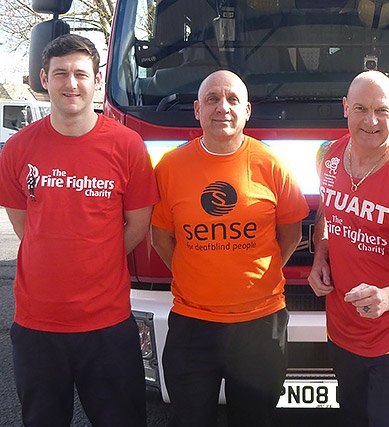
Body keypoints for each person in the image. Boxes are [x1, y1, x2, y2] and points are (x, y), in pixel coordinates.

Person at [0, 34, 158, 426]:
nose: (71, 83)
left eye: (80, 74)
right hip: (37, 326)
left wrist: (97, 256)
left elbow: (138, 224)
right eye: (61, 74)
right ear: (44, 78)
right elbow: (24, 224)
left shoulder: (127, 146)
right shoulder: (17, 148)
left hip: (107, 325)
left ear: (97, 80)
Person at [151, 69, 309, 427]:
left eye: (232, 99)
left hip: (259, 327)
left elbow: (292, 234)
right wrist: (195, 276)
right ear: (196, 110)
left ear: (248, 110)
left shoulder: (272, 164)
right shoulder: (170, 167)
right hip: (192, 324)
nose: (223, 107)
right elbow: (161, 237)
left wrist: (259, 278)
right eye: (212, 99)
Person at [308, 70, 389, 427]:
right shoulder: (328, 155)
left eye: (381, 110)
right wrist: (320, 254)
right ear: (345, 108)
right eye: (361, 109)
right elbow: (326, 213)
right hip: (341, 327)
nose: (371, 121)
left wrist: (388, 296)